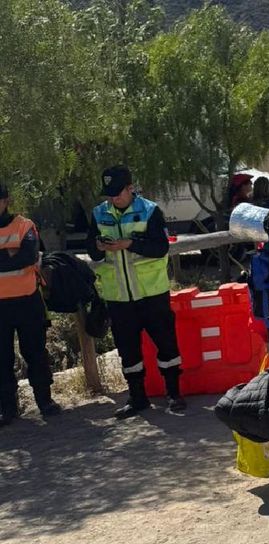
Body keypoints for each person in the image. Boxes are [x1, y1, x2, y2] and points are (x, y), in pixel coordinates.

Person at [86, 165, 186, 419]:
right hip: (118, 296)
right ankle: (137, 398)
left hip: (152, 293)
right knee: (128, 350)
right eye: (108, 194)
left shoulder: (150, 211)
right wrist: (99, 247)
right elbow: (93, 251)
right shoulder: (98, 214)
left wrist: (129, 243)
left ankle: (173, 393)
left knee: (166, 344)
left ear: (131, 188)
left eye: (117, 193)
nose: (112, 198)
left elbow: (160, 247)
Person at [0, 181, 61, 426]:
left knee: (35, 353)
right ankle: (8, 408)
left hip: (27, 301)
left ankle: (44, 401)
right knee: (1, 358)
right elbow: (16, 258)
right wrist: (9, 255)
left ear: (5, 201)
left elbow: (27, 257)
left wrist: (14, 257)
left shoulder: (25, 225)